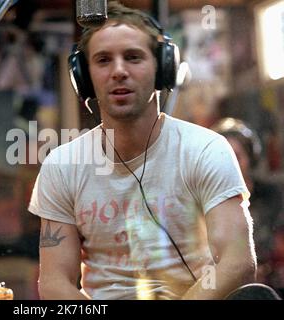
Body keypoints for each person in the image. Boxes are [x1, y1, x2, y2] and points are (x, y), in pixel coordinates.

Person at [28, 1, 256, 300]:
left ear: (163, 68)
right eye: (103, 60)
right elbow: (55, 283)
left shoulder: (206, 150)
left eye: (133, 57)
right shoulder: (62, 166)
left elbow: (237, 263)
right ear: (83, 77)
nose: (119, 71)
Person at [211, 117, 284, 292]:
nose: (230, 164)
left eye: (237, 156)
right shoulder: (207, 203)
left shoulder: (272, 195)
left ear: (250, 158)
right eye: (223, 157)